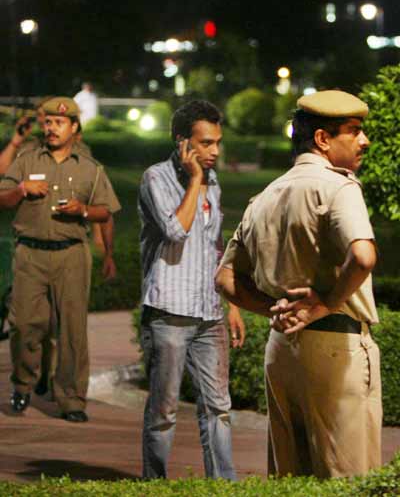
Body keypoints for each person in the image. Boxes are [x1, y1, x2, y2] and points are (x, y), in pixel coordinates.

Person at [215, 90, 382, 478]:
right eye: (354, 131)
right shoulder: (339, 186)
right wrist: (324, 304)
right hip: (336, 349)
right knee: (347, 478)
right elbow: (363, 257)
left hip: (281, 352)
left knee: (291, 478)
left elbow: (224, 279)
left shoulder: (265, 196)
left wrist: (277, 311)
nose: (364, 141)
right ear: (323, 139)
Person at [138, 100, 245, 480]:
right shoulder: (156, 178)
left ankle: (224, 484)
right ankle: (155, 484)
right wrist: (195, 180)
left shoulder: (213, 182)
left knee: (218, 406)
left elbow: (214, 245)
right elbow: (175, 230)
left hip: (208, 313)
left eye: (218, 142)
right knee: (164, 409)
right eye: (206, 143)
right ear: (184, 144)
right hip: (169, 311)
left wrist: (230, 302)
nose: (215, 151)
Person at [0, 97, 121, 422]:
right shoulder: (26, 159)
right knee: (24, 325)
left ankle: (71, 399)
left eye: (59, 123)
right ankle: (23, 384)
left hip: (71, 255)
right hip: (30, 254)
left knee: (72, 330)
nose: (52, 128)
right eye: (49, 122)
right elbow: (3, 197)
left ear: (75, 127)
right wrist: (22, 188)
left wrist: (82, 211)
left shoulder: (90, 168)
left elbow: (104, 210)